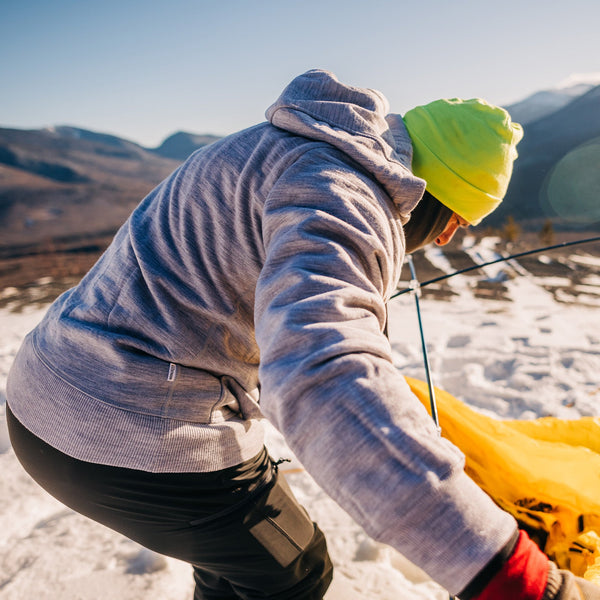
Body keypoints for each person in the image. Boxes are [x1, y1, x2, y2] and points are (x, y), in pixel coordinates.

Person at [5, 69, 597, 600]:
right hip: (117, 424)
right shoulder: (341, 201)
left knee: (244, 563)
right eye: (457, 223)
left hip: (49, 385)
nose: (444, 242)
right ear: (435, 198)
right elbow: (323, 372)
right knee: (290, 571)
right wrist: (512, 575)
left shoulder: (284, 145)